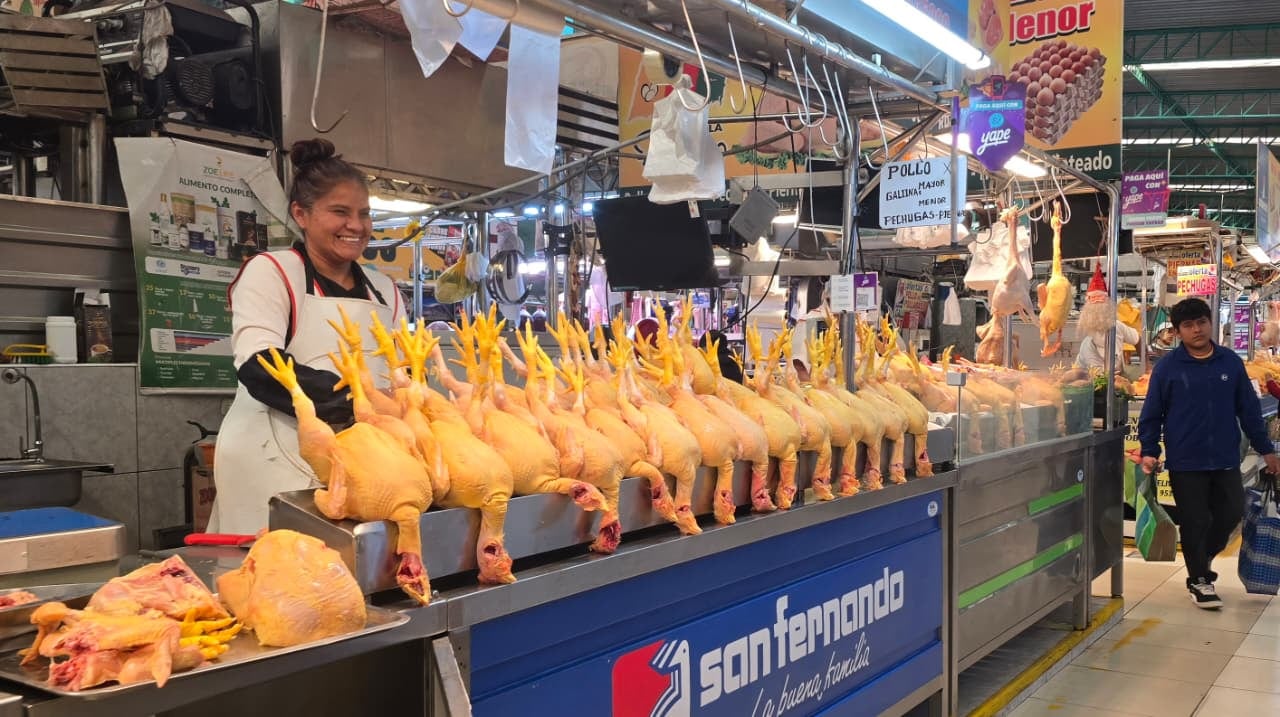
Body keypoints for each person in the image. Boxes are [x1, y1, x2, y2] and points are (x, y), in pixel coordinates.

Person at [209, 139, 404, 534]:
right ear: (301, 214)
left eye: (364, 214)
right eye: (340, 212)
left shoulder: (385, 291)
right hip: (271, 457)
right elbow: (260, 365)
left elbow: (403, 372)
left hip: (358, 461)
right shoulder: (272, 271)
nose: (356, 226)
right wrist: (356, 403)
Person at [1138, 297, 1280, 609]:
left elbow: (1249, 410)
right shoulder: (1168, 368)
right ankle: (1200, 579)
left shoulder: (1230, 362)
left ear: (1210, 323)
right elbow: (1151, 413)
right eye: (1188, 325)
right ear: (1178, 331)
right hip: (1185, 459)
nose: (1197, 329)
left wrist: (1266, 449)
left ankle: (1201, 558)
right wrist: (1149, 450)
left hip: (1225, 456)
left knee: (1231, 513)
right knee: (1195, 520)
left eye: (1201, 322)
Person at [1074, 320, 1139, 372]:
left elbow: (1138, 340)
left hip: (1116, 371)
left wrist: (1145, 367)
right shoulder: (1088, 352)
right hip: (1086, 377)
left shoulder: (1117, 327)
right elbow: (1103, 380)